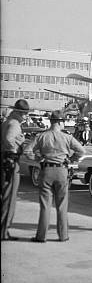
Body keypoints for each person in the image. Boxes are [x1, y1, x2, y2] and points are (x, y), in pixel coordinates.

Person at [31, 110, 85, 242]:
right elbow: (81, 151)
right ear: (61, 122)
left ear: (51, 122)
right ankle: (63, 235)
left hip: (46, 171)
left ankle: (41, 236)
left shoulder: (42, 136)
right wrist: (71, 159)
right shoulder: (67, 137)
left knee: (45, 206)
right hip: (62, 171)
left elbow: (27, 151)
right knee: (62, 205)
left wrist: (39, 159)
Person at [1, 99, 30, 241]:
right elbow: (8, 139)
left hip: (5, 160)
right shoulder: (15, 124)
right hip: (11, 162)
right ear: (18, 112)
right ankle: (4, 231)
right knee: (9, 197)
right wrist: (14, 151)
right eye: (24, 113)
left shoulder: (6, 122)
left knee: (4, 196)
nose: (26, 116)